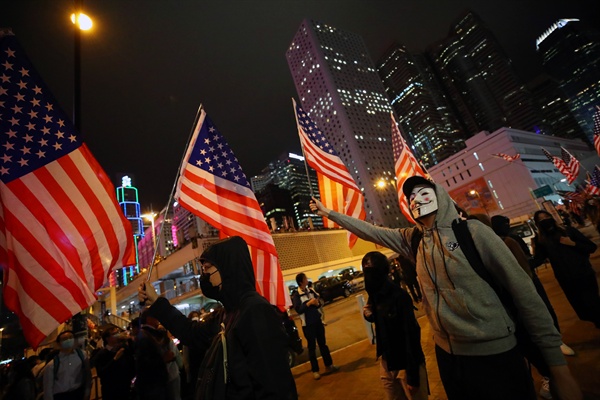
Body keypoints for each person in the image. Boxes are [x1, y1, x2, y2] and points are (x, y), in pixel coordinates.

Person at [310, 176, 581, 400]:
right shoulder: (412, 239)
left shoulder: (473, 232)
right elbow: (371, 231)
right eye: (410, 196)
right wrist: (330, 213)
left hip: (495, 354)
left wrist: (555, 363)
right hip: (448, 357)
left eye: (422, 192)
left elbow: (524, 291)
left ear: (439, 195)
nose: (416, 199)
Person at [138, 236, 297, 400]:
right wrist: (156, 302)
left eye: (207, 268)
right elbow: (191, 333)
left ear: (228, 268)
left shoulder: (255, 311)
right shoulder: (227, 313)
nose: (204, 276)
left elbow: (275, 385)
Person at [362, 251, 427, 400]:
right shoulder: (375, 296)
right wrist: (370, 314)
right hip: (387, 362)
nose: (368, 278)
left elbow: (411, 335)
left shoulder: (399, 296)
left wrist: (413, 376)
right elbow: (378, 320)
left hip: (407, 364)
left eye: (371, 273)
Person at [532, 210, 600, 329]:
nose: (545, 221)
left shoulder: (568, 231)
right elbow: (538, 259)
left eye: (546, 217)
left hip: (584, 273)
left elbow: (591, 247)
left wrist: (572, 243)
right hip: (566, 279)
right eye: (541, 220)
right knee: (583, 309)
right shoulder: (542, 241)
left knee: (593, 304)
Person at [291, 273, 339, 380]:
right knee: (312, 348)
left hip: (317, 322)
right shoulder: (296, 295)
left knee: (323, 344)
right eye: (305, 279)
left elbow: (319, 302)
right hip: (308, 325)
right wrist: (309, 303)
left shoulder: (311, 291)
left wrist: (317, 303)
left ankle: (329, 365)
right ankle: (315, 370)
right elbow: (298, 309)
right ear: (300, 282)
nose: (307, 280)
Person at [42, 330, 92, 400]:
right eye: (65, 339)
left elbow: (87, 375)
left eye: (71, 337)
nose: (69, 340)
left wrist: (87, 393)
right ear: (59, 344)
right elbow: (48, 389)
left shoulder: (82, 355)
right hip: (62, 396)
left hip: (78, 393)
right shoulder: (52, 365)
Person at [91, 325, 135, 400]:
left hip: (125, 388)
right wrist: (114, 359)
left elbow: (131, 363)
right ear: (107, 338)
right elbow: (102, 373)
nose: (118, 335)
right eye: (115, 334)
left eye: (118, 332)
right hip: (110, 391)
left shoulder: (123, 349)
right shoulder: (101, 354)